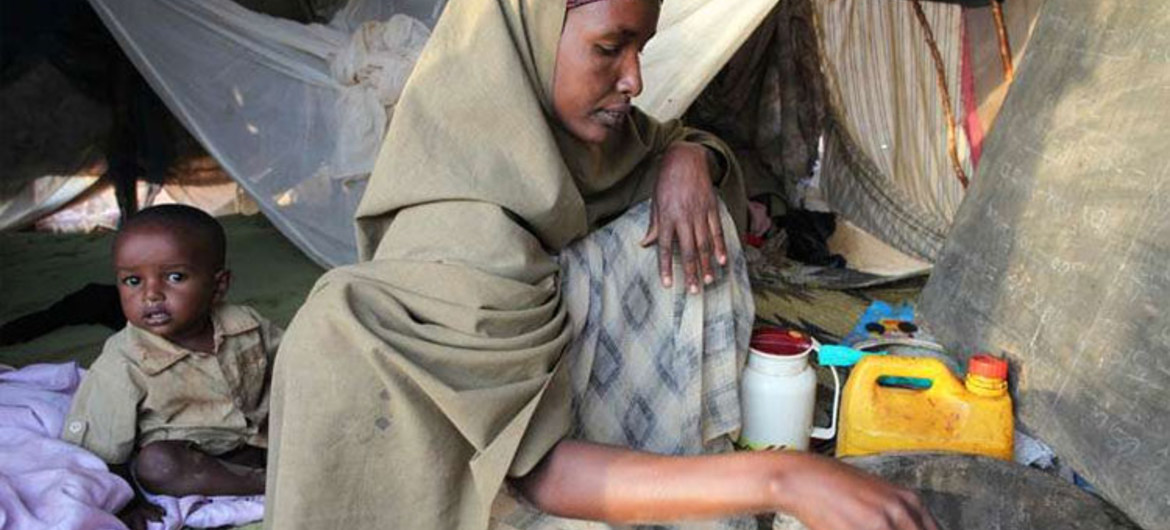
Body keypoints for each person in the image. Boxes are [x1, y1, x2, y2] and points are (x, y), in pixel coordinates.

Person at [265, 1, 938, 530]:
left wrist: (687, 160)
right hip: (457, 495)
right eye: (609, 47)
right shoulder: (465, 228)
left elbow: (670, 141)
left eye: (640, 47)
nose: (634, 78)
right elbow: (540, 471)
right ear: (526, 40)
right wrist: (784, 478)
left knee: (680, 217)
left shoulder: (562, 149)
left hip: (530, 443)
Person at [61, 204, 282, 528]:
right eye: (132, 280)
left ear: (218, 285)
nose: (151, 295)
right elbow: (103, 446)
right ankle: (268, 484)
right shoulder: (123, 360)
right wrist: (126, 502)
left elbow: (294, 369)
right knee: (157, 466)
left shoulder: (246, 324)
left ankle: (274, 468)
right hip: (193, 459)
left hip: (255, 439)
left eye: (175, 277)